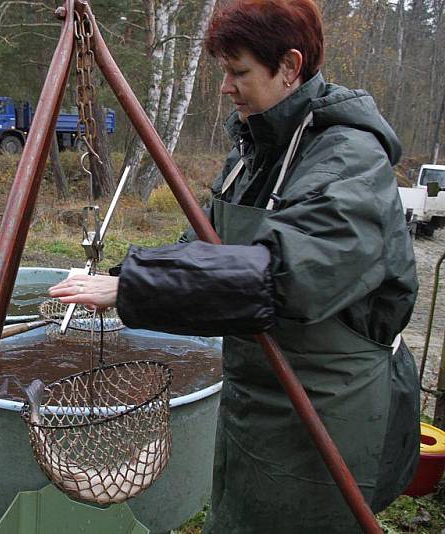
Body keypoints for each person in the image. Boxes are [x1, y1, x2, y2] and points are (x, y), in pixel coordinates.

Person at [50, 0, 420, 531]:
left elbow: (287, 274)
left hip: (327, 401)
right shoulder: (256, 147)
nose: (225, 86)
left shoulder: (349, 159)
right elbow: (208, 239)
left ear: (290, 67)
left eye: (238, 71)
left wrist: (138, 287)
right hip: (257, 384)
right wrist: (117, 276)